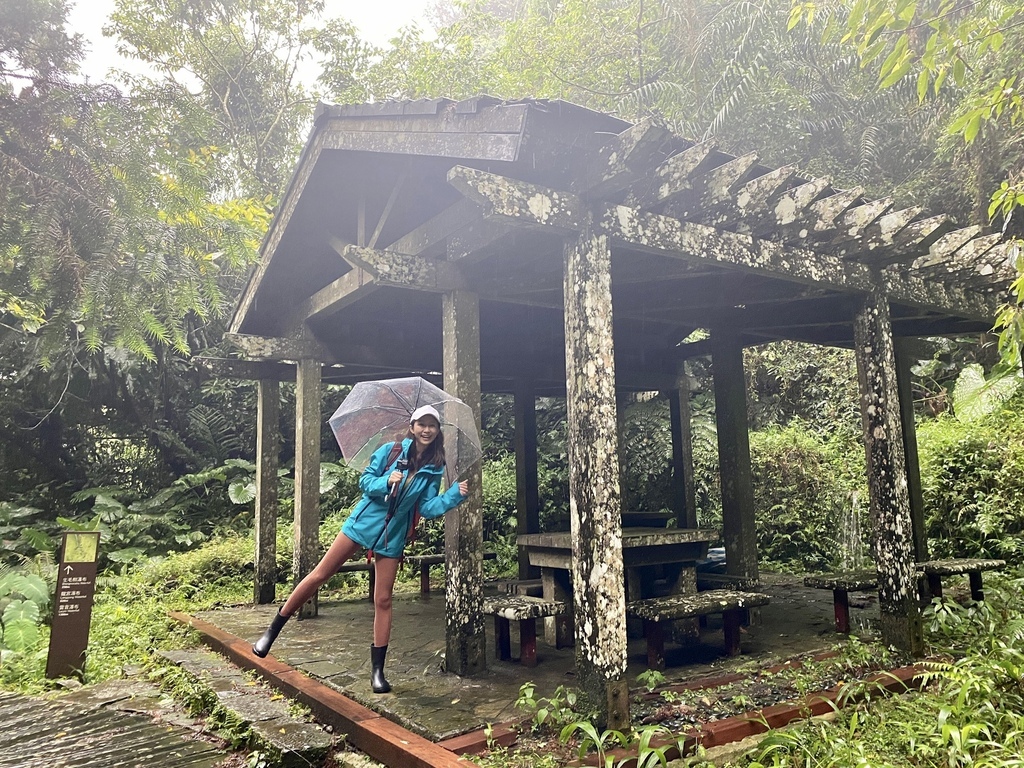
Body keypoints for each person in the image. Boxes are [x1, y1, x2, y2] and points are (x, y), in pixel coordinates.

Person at [251, 405, 469, 693]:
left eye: (432, 425)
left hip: (392, 535)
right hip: (362, 523)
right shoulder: (391, 451)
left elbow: (427, 508)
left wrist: (453, 496)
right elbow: (364, 482)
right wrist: (385, 481)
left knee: (384, 600)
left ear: (438, 430)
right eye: (422, 424)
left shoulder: (435, 466)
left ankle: (377, 671)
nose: (427, 430)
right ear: (412, 426)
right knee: (320, 575)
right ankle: (273, 630)